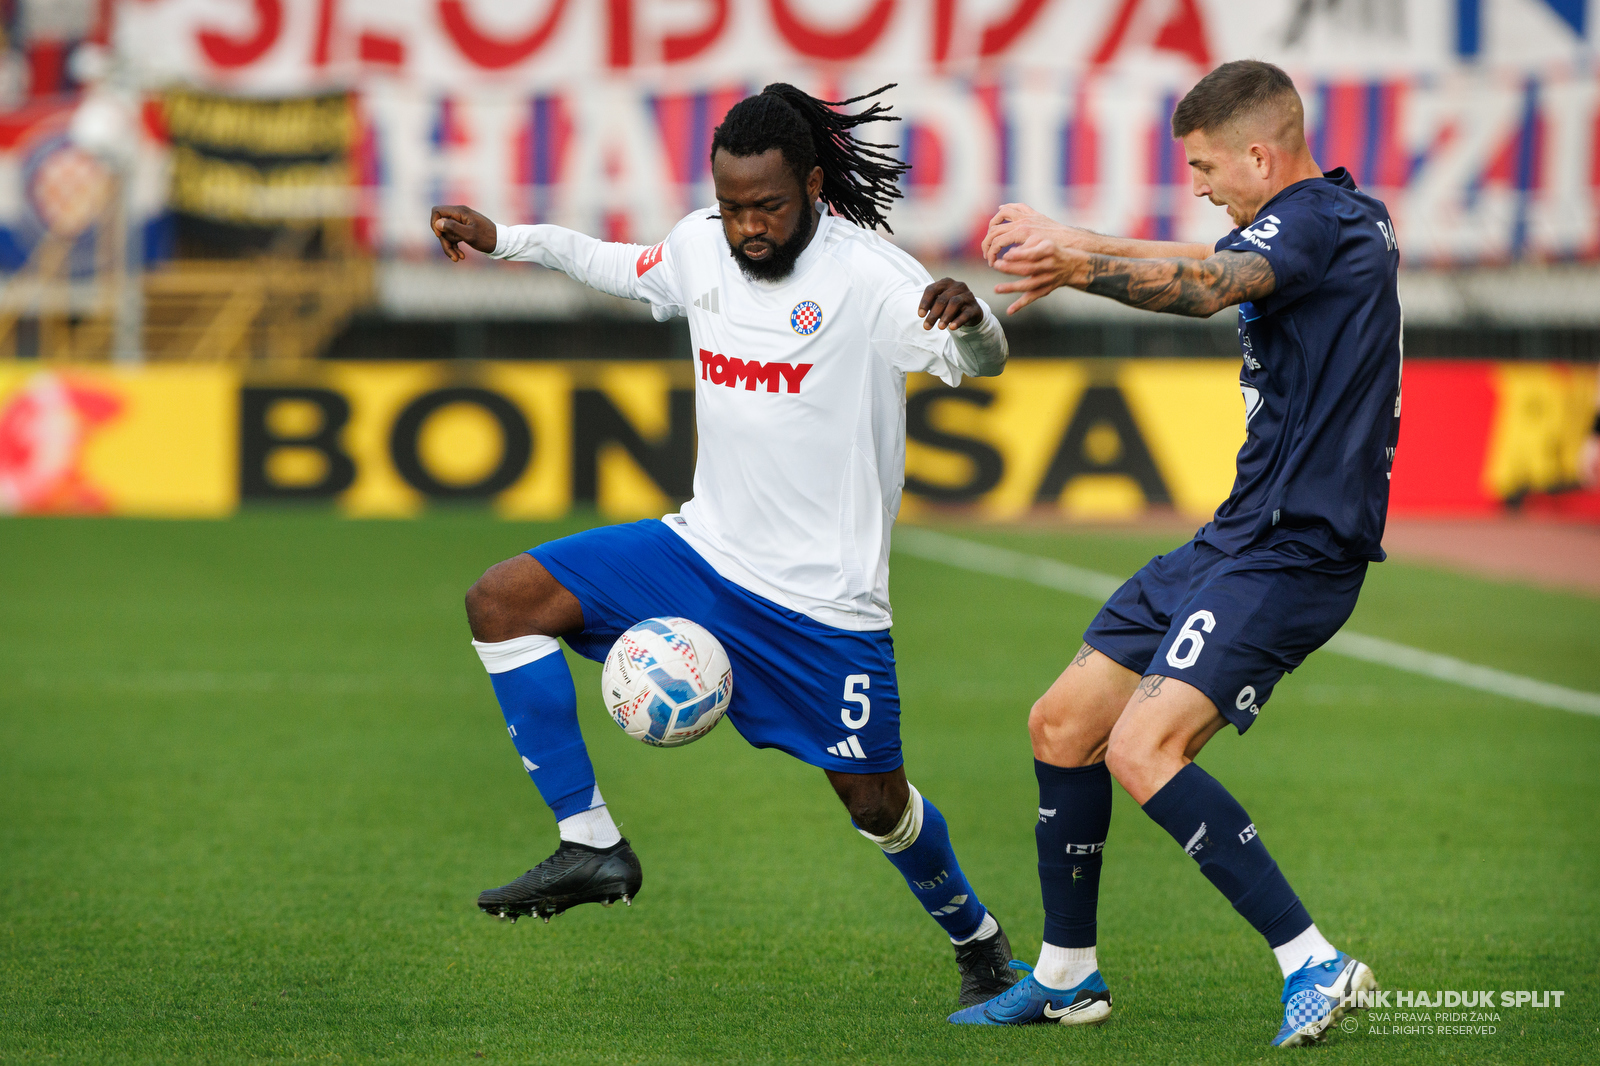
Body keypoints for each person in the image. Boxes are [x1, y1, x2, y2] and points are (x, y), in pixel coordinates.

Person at [430, 83, 1020, 1007]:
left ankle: (978, 939)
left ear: (815, 187)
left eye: (769, 206)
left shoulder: (872, 278)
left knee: (876, 806)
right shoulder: (702, 242)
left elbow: (978, 363)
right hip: (700, 554)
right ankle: (591, 845)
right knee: (502, 601)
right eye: (734, 203)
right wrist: (508, 238)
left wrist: (976, 319)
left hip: (824, 606)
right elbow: (619, 264)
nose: (748, 226)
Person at [950, 60, 1395, 1045]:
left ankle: (1312, 960)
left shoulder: (1320, 222)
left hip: (1294, 551)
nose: (1198, 186)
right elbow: (1208, 260)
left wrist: (1070, 258)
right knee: (1062, 723)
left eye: (1204, 166)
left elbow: (1204, 284)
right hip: (1235, 536)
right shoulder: (1318, 224)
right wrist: (1072, 245)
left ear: (1258, 153)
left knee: (1141, 747)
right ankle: (1068, 974)